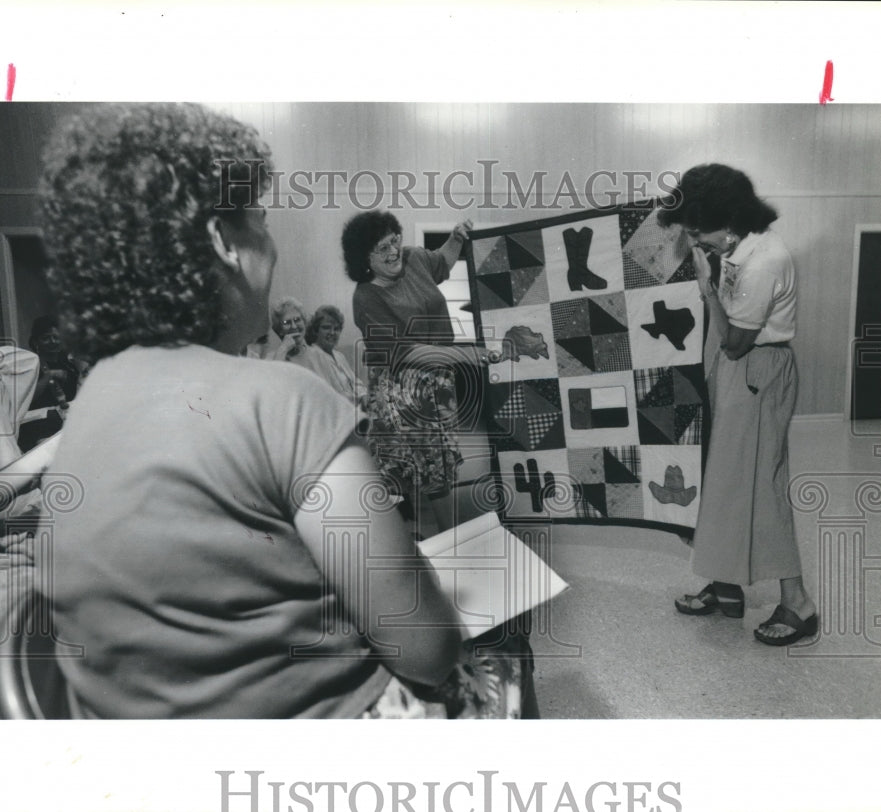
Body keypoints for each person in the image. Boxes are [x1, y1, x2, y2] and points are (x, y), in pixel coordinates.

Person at [34, 102, 528, 718]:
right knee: (506, 634)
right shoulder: (284, 400)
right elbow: (423, 647)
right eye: (261, 220)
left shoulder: (91, 403)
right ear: (224, 242)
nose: (270, 242)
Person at [658, 163, 818, 646]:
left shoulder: (765, 258)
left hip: (754, 370)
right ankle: (725, 586)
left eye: (697, 231)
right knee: (714, 480)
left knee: (760, 488)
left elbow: (735, 342)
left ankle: (799, 604)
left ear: (728, 221)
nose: (693, 240)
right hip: (730, 369)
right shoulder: (732, 244)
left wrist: (706, 287)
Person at [344, 211, 488, 533]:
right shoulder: (365, 296)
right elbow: (406, 353)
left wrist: (456, 238)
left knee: (438, 467)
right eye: (382, 248)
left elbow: (443, 262)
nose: (394, 251)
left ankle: (442, 540)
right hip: (400, 388)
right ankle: (414, 542)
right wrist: (464, 355)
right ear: (364, 258)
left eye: (395, 240)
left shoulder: (414, 259)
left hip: (437, 379)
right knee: (407, 472)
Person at [17, 315, 82, 452]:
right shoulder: (30, 365)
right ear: (36, 342)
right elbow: (24, 399)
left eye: (56, 337)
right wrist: (48, 376)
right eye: (46, 338)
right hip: (39, 428)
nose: (52, 341)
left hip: (66, 425)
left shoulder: (69, 364)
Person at [303, 304, 365, 406]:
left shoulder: (339, 356)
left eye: (336, 329)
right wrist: (360, 399)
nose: (332, 333)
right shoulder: (312, 355)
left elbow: (355, 382)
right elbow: (330, 394)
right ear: (316, 330)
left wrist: (364, 394)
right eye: (326, 327)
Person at [267, 297, 312, 364]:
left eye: (297, 320)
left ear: (304, 322)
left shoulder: (320, 356)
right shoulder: (271, 359)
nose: (294, 326)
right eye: (286, 322)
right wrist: (283, 349)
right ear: (280, 330)